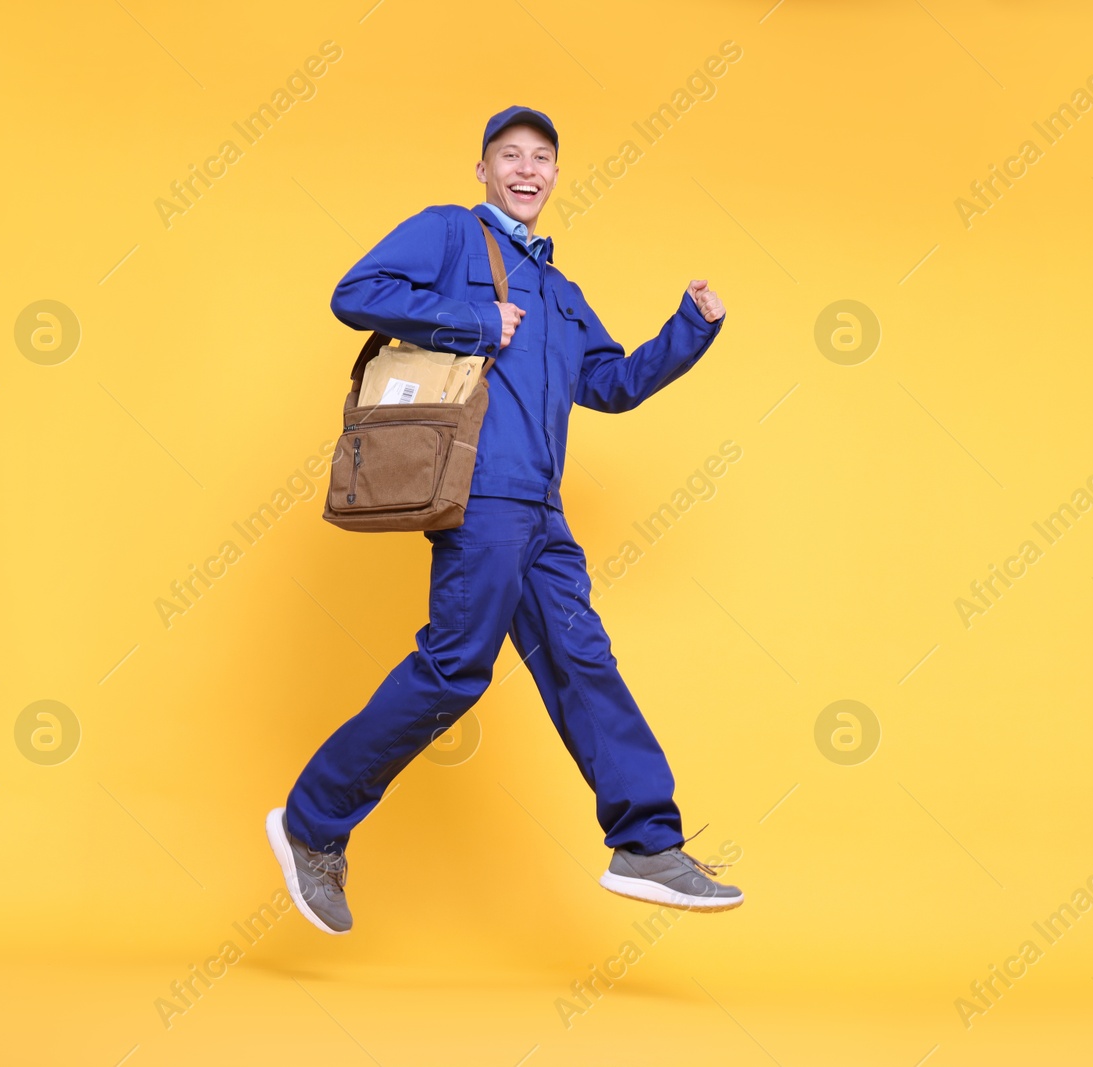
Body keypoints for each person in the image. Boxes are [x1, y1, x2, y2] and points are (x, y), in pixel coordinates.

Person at [266, 105, 740, 934]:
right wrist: (477, 321)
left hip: (542, 512)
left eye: (542, 158)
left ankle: (646, 844)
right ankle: (311, 822)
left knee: (582, 658)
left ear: (556, 175)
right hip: (481, 493)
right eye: (509, 156)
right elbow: (356, 293)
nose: (527, 170)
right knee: (454, 668)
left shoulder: (561, 291)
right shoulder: (450, 235)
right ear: (482, 170)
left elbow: (614, 384)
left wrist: (691, 328)